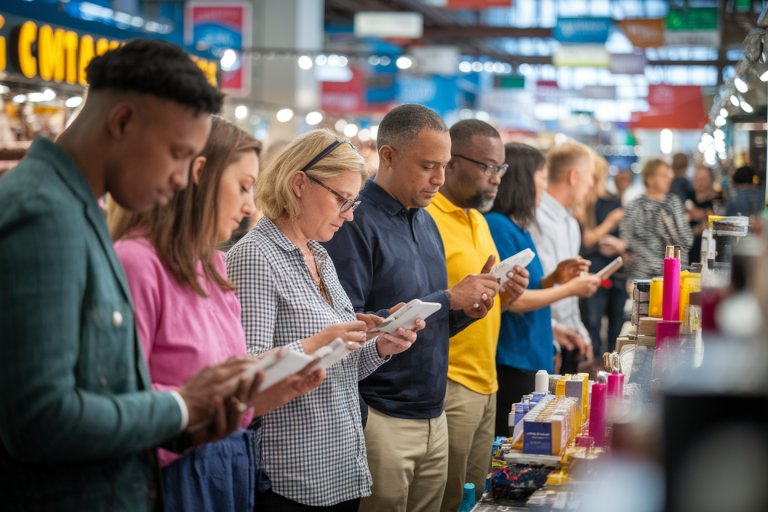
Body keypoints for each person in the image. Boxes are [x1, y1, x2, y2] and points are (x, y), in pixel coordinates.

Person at [0, 39, 255, 511]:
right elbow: (38, 419)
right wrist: (181, 405)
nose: (183, 179)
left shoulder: (74, 208)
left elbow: (100, 390)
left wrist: (185, 427)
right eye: (178, 153)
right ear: (122, 121)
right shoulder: (43, 213)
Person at [108, 116, 326, 509]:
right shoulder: (137, 262)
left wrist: (275, 390)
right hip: (167, 479)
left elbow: (224, 405)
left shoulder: (212, 264)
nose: (248, 206)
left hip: (226, 469)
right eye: (243, 187)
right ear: (199, 174)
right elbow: (120, 401)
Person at [226, 128, 422, 511]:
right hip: (291, 473)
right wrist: (317, 343)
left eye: (354, 204)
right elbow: (247, 374)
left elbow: (343, 368)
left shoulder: (319, 254)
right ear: (300, 183)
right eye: (342, 201)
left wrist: (380, 343)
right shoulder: (255, 257)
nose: (349, 216)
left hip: (339, 466)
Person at [322, 104, 498, 512]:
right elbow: (346, 325)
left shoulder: (425, 221)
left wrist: (461, 313)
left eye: (445, 166)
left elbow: (422, 323)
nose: (439, 178)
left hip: (433, 413)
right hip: (381, 414)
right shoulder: (353, 222)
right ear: (388, 156)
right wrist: (449, 298)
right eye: (428, 166)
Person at [424, 120, 530, 510]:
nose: (497, 179)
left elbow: (479, 302)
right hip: (451, 379)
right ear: (450, 163)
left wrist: (506, 293)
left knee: (474, 496)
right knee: (448, 499)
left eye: (501, 169)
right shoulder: (427, 218)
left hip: (487, 380)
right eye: (488, 167)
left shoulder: (478, 219)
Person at [486, 143, 600, 436]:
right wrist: (569, 288)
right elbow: (512, 298)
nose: (544, 185)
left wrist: (555, 278)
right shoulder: (498, 225)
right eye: (541, 177)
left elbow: (530, 285)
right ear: (525, 180)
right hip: (513, 353)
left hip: (532, 349)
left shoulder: (519, 227)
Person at [530, 141, 597, 375]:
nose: (591, 184)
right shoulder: (536, 217)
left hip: (569, 338)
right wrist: (551, 333)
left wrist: (580, 331)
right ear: (574, 175)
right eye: (590, 176)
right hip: (545, 340)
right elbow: (533, 287)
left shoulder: (570, 222)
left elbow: (570, 287)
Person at [574, 154, 626, 357]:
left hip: (614, 270)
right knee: (593, 322)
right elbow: (587, 240)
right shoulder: (584, 204)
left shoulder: (611, 199)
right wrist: (609, 223)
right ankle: (592, 362)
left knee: (616, 325)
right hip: (592, 269)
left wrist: (619, 245)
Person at [620, 158, 694, 280]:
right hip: (643, 278)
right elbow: (627, 242)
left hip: (673, 276)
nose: (669, 178)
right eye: (664, 175)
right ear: (650, 179)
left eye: (669, 174)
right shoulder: (635, 206)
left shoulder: (673, 203)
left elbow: (686, 239)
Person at [688, 165, 715, 263]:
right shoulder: (687, 199)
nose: (699, 182)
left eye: (703, 179)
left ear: (710, 180)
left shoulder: (716, 201)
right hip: (689, 255)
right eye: (697, 179)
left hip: (709, 255)